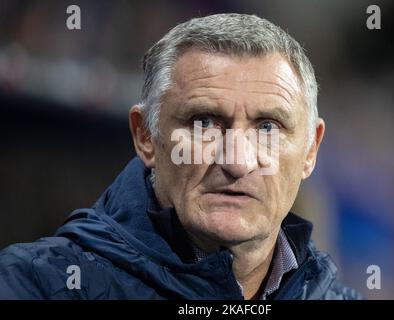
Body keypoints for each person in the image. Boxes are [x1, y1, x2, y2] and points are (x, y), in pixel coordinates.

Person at [0, 13, 362, 300]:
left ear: (311, 150)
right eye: (204, 122)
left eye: (267, 127)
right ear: (145, 136)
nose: (237, 162)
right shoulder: (31, 285)